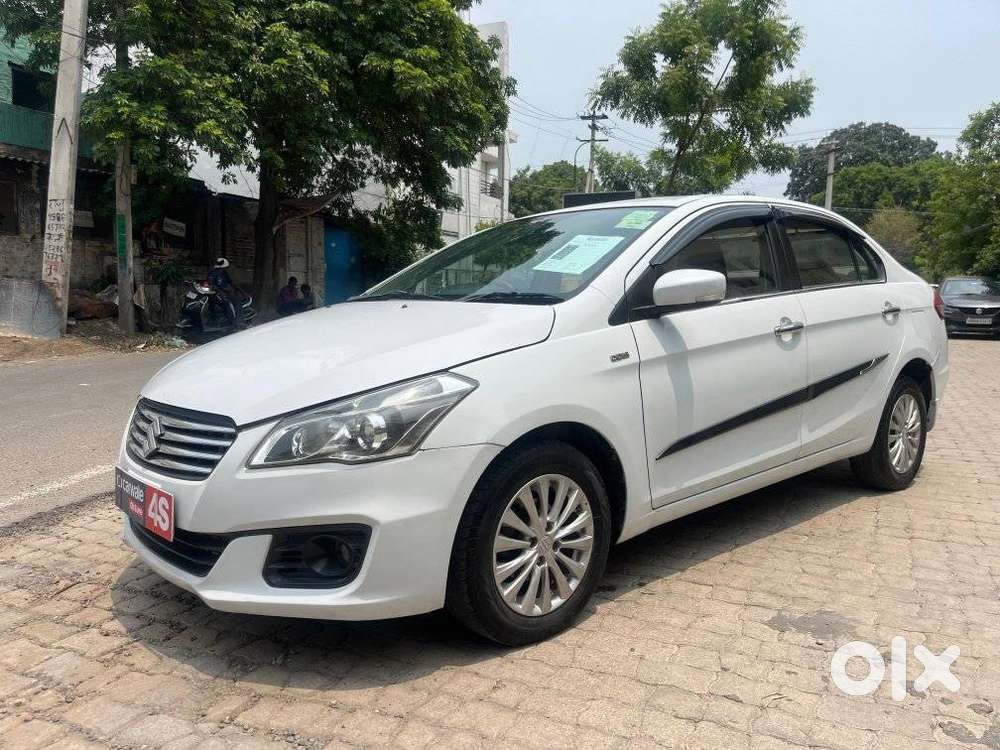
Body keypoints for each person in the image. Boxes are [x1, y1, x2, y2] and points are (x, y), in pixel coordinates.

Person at [207, 257, 239, 326]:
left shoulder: (224, 273)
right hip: (215, 294)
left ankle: (237, 318)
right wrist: (223, 290)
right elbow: (212, 285)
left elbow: (230, 282)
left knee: (235, 301)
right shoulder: (212, 273)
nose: (225, 269)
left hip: (224, 292)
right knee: (227, 304)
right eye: (224, 267)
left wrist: (237, 289)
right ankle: (232, 323)